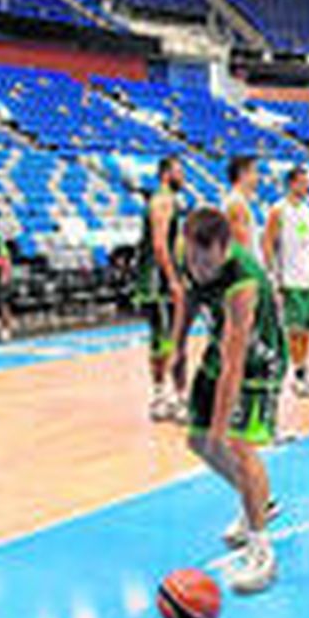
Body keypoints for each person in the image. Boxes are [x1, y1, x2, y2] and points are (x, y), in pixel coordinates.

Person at [164, 208, 283, 595]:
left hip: (256, 361)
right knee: (197, 441)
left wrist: (220, 429)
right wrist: (178, 346)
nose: (199, 269)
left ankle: (261, 550)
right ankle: (258, 501)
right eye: (194, 260)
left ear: (225, 246)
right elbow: (188, 295)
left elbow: (235, 362)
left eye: (207, 261)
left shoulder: (242, 279)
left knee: (235, 443)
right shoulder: (190, 254)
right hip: (222, 348)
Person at [262, 166, 309, 400]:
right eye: (302, 182)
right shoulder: (278, 210)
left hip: (308, 278)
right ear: (291, 183)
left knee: (307, 329)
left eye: (307, 182)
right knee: (294, 329)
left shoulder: (308, 210)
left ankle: (303, 371)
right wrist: (271, 276)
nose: (306, 186)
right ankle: (298, 376)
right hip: (289, 279)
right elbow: (268, 243)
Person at [135, 157, 189, 423]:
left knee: (162, 339)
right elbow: (159, 245)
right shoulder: (163, 201)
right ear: (166, 174)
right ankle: (177, 399)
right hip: (159, 280)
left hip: (157, 278)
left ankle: (161, 397)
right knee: (171, 339)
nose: (184, 176)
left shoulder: (166, 200)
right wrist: (174, 280)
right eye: (180, 172)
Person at [224, 155, 260, 249]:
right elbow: (241, 245)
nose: (257, 176)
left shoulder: (240, 201)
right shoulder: (236, 203)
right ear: (242, 175)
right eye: (254, 171)